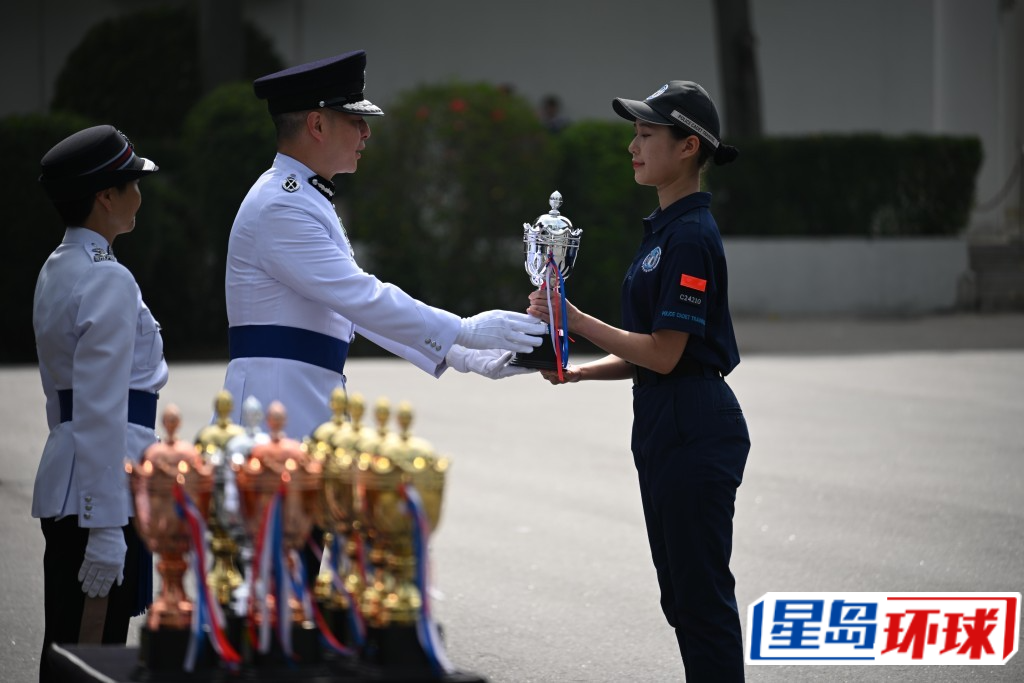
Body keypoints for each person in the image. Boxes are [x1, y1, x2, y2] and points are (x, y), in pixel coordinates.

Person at [528, 81, 749, 682]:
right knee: (681, 599)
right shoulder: (664, 230)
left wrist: (571, 319)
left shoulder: (690, 236)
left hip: (695, 422)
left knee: (701, 601)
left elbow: (667, 353)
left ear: (687, 148)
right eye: (635, 133)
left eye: (647, 134)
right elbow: (649, 354)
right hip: (664, 418)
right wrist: (575, 370)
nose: (633, 145)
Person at [222, 50, 544, 440]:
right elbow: (361, 297)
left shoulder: (302, 197)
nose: (366, 133)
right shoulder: (282, 205)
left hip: (293, 398)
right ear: (317, 124)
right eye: (356, 120)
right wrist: (463, 330)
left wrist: (463, 355)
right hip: (274, 407)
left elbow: (350, 310)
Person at [32, 125, 165, 681]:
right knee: (92, 657)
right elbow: (103, 407)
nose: (140, 192)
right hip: (101, 492)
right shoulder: (109, 280)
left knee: (67, 650)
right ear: (106, 196)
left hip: (75, 480)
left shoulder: (59, 266)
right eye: (132, 182)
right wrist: (106, 524)